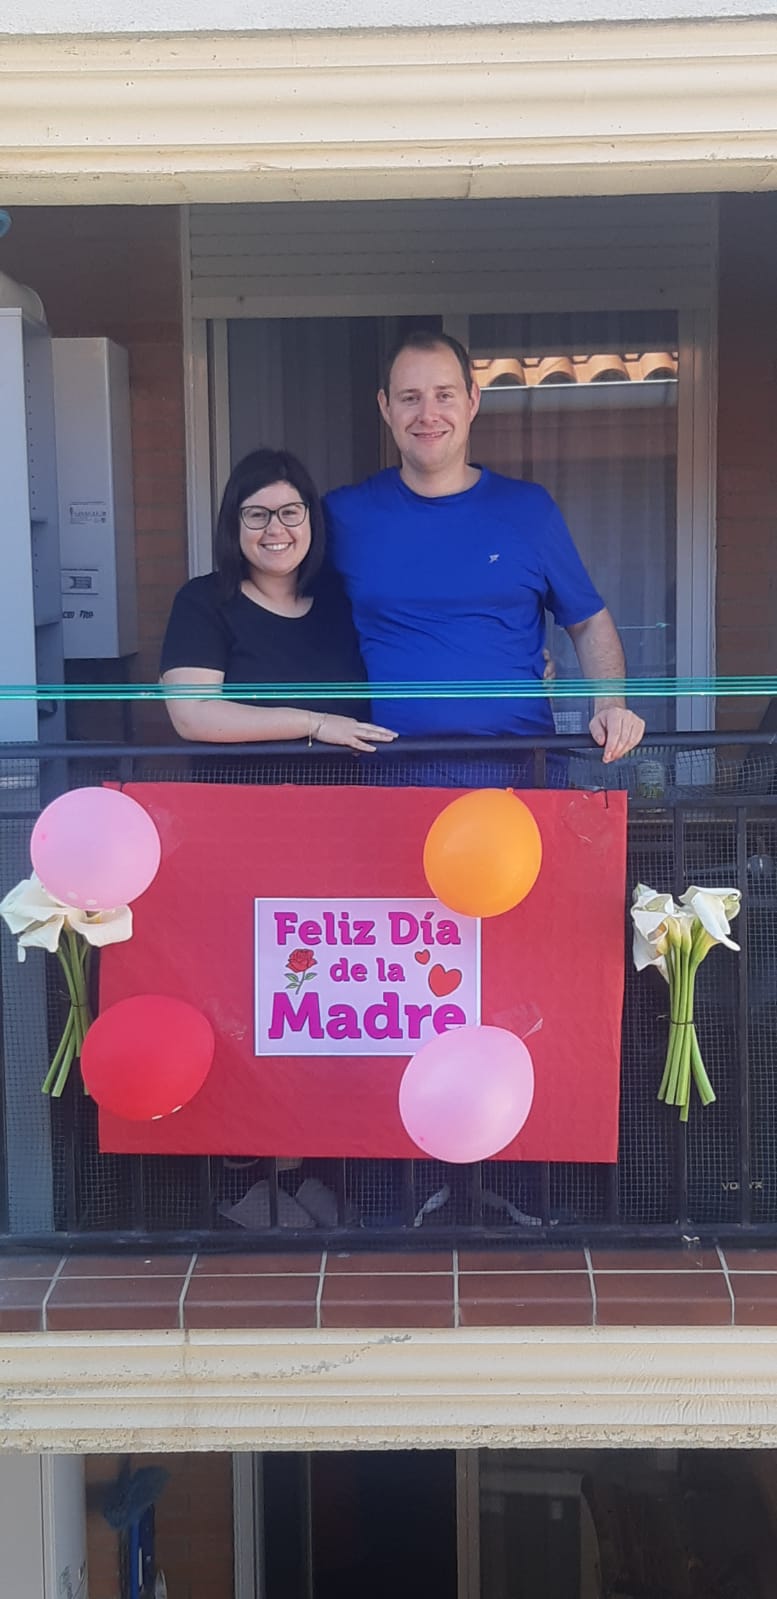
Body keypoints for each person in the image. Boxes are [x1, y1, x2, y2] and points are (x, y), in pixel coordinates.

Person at [324, 330, 646, 763]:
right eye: (410, 398)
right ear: (385, 406)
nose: (428, 414)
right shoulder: (345, 515)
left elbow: (588, 622)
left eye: (444, 395)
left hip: (519, 775)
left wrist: (610, 706)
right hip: (394, 784)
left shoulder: (529, 511)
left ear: (473, 400)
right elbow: (285, 607)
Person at [160, 447, 397, 753]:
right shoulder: (203, 602)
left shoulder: (341, 600)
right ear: (234, 525)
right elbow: (193, 715)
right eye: (257, 515)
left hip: (340, 795)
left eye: (290, 512)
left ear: (311, 519)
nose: (275, 529)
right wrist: (316, 723)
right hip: (236, 798)